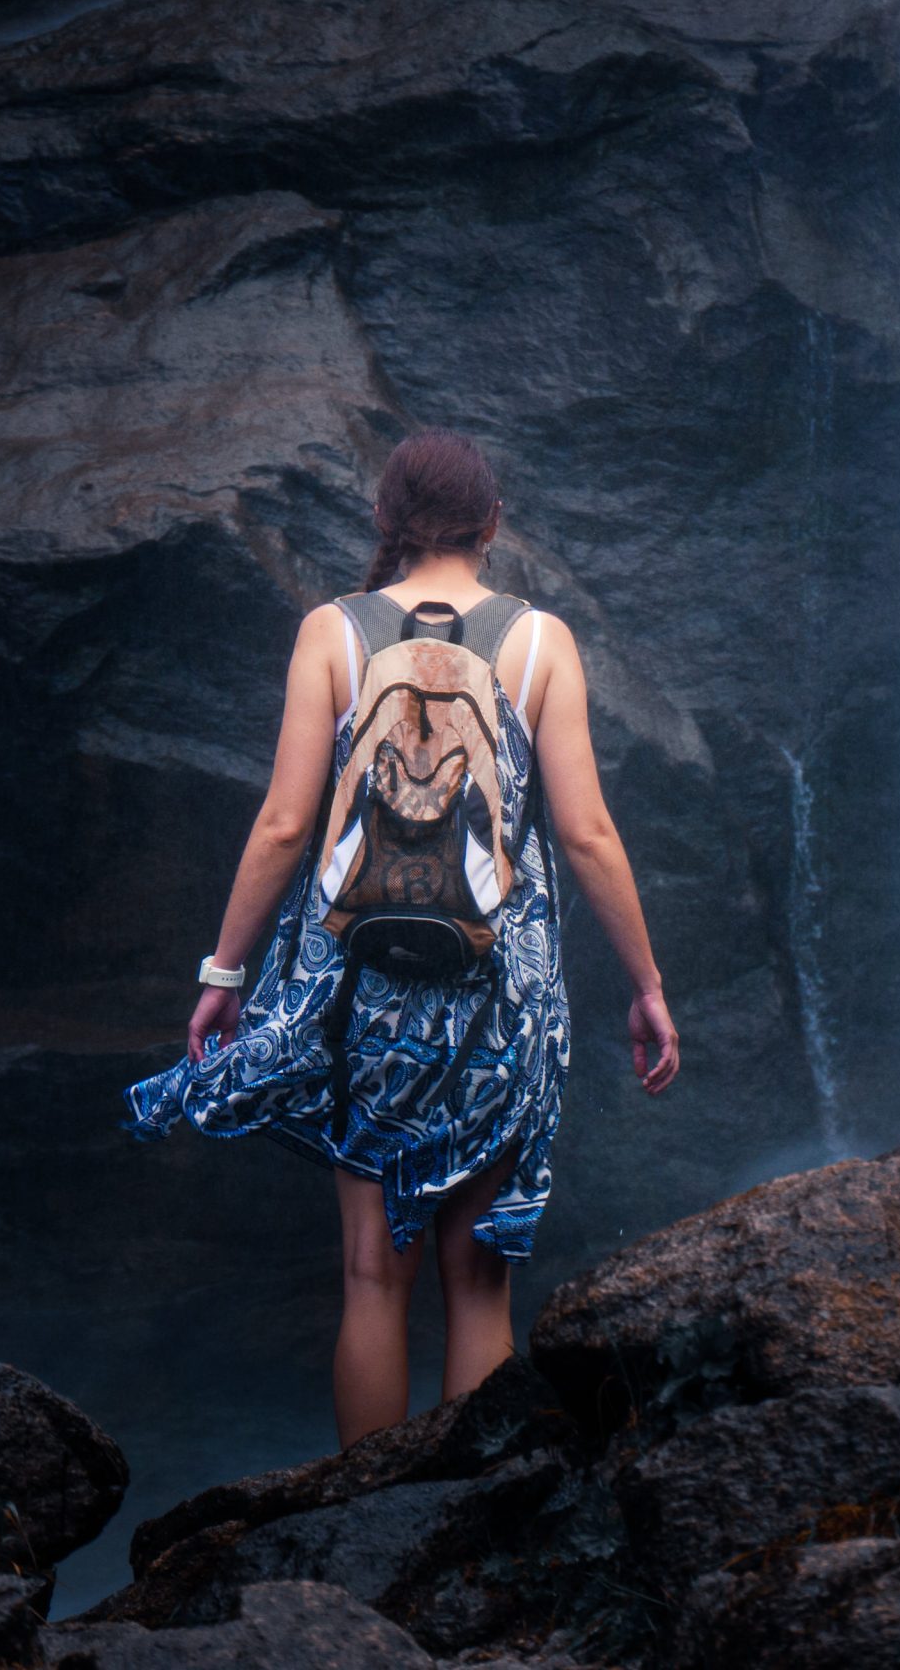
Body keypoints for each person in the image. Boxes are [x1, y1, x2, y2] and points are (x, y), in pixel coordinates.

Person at [121, 428, 680, 1447]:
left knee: (373, 1272)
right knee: (478, 1280)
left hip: (358, 988)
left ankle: (365, 1523)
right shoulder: (539, 641)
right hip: (499, 991)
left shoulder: (330, 633)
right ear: (493, 523)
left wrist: (224, 972)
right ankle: (465, 1521)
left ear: (381, 519)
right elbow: (588, 831)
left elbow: (286, 824)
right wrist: (645, 982)